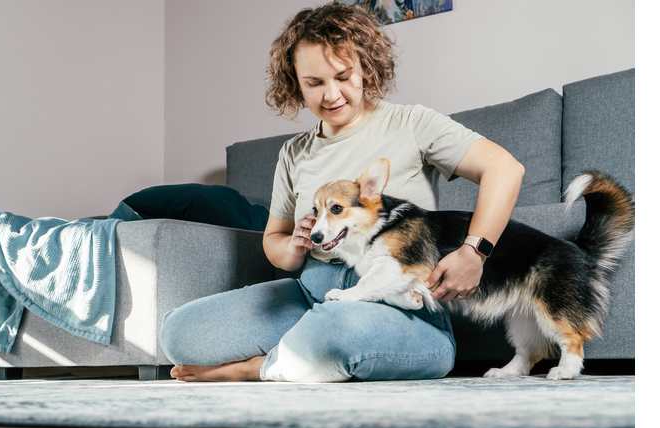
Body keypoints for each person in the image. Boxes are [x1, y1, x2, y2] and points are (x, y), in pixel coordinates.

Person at [159, 2, 524, 382]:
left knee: (337, 331)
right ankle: (302, 353)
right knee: (179, 334)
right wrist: (294, 245)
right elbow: (275, 244)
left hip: (401, 307)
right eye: (314, 83)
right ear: (295, 82)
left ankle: (259, 367)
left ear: (366, 67)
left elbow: (504, 169)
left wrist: (474, 252)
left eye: (343, 76)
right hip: (310, 293)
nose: (331, 94)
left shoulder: (412, 123)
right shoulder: (293, 152)